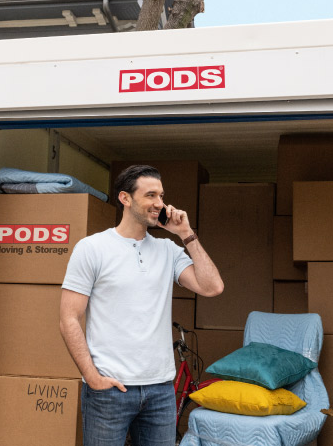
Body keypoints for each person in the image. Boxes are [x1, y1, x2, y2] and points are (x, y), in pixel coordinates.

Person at [60, 165, 224, 446]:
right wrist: (92, 377)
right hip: (109, 391)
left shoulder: (168, 250)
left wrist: (186, 234)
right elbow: (69, 318)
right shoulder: (92, 248)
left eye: (161, 196)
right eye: (150, 195)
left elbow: (213, 287)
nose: (159, 204)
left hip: (160, 391)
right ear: (125, 198)